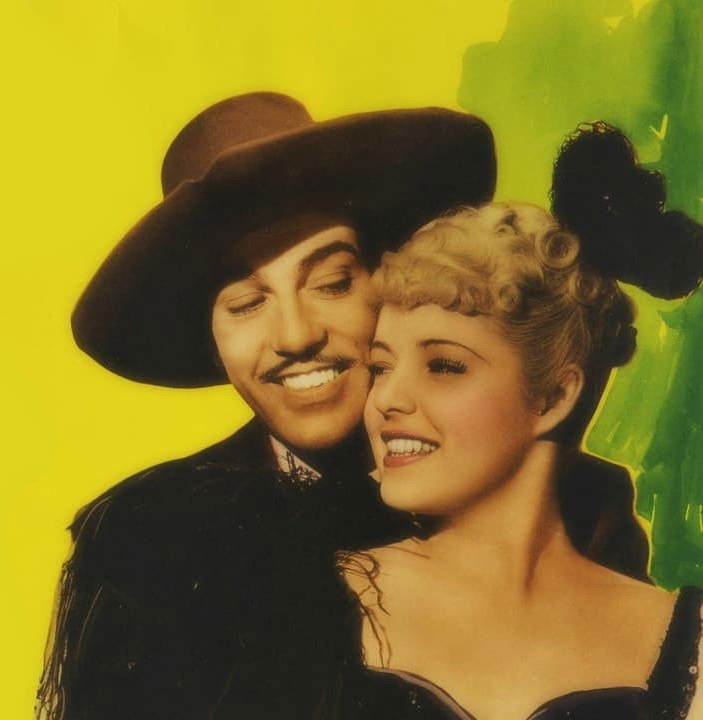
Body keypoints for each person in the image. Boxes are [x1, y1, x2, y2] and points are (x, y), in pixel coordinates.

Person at [39, 93, 648, 720]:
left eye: (332, 283)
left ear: (387, 286)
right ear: (212, 341)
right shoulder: (150, 535)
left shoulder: (578, 506)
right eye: (247, 303)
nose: (296, 334)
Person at [347, 123, 703, 719]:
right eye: (380, 368)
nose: (386, 399)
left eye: (444, 366)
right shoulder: (313, 598)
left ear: (554, 397)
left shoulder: (688, 639)